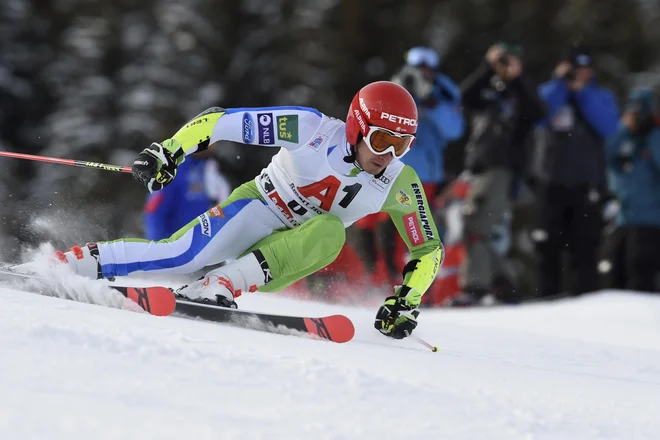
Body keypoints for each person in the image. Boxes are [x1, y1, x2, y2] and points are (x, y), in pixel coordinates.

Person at [24, 81, 444, 340]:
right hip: (258, 206)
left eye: (402, 145)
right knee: (180, 256)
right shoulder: (311, 129)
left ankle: (218, 285)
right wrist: (169, 150)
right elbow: (219, 123)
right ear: (357, 128)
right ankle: (66, 264)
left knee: (331, 231)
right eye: (382, 140)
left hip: (291, 251)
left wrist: (407, 300)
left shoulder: (399, 183)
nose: (388, 154)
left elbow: (429, 249)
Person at [455, 42, 546, 305]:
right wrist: (486, 67)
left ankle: (476, 287)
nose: (504, 66)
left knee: (476, 224)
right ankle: (504, 284)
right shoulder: (489, 90)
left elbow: (539, 112)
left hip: (502, 169)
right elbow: (463, 96)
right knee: (481, 227)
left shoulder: (522, 93)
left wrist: (517, 79)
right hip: (481, 169)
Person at [532, 44, 619, 298]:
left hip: (586, 183)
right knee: (547, 246)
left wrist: (582, 94)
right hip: (551, 181)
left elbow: (609, 127)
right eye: (574, 69)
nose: (579, 74)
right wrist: (561, 85)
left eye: (584, 69)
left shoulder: (600, 96)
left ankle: (586, 300)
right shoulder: (550, 92)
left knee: (585, 246)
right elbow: (539, 114)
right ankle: (546, 298)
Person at [600, 88, 660, 292]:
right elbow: (608, 156)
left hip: (651, 220)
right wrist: (625, 129)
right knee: (614, 271)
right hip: (624, 218)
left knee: (641, 272)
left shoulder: (655, 138)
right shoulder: (624, 139)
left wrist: (652, 132)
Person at [143, 150, 232, 240]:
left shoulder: (210, 167)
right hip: (175, 242)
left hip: (201, 243)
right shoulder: (172, 169)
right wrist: (159, 246)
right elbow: (154, 210)